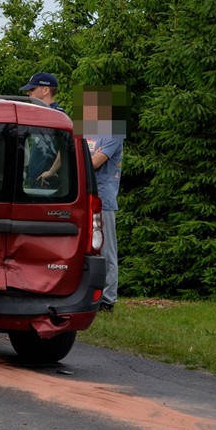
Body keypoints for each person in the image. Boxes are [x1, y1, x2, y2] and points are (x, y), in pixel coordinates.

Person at [79, 85, 126, 312]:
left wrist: (77, 164)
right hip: (84, 196)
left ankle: (107, 299)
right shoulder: (88, 130)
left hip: (103, 198)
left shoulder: (114, 133)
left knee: (105, 249)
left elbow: (95, 162)